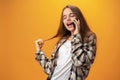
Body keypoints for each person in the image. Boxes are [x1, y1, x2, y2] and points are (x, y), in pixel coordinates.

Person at [35, 5, 97, 80]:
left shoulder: (89, 37)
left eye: (71, 15)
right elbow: (50, 69)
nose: (68, 19)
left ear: (78, 18)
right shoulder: (62, 40)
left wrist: (76, 35)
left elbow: (79, 62)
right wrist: (39, 52)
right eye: (64, 17)